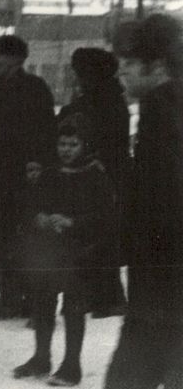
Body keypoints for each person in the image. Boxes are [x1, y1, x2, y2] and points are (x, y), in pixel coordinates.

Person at [58, 12, 183, 389]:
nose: (124, 75)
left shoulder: (162, 108)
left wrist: (119, 200)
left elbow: (161, 199)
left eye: (130, 65)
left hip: (165, 282)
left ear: (156, 67)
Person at [12, 119, 115, 386]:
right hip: (48, 249)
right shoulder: (51, 173)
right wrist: (40, 218)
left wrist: (74, 222)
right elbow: (30, 205)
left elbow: (105, 216)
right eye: (62, 144)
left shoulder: (95, 174)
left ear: (85, 145)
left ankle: (71, 365)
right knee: (43, 301)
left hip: (81, 251)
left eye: (73, 144)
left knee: (73, 307)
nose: (66, 150)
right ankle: (41, 357)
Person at [0, 34, 57, 322]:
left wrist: (39, 163)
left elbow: (47, 130)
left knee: (26, 237)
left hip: (25, 174)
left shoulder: (35, 87)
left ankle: (33, 301)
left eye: (0, 57)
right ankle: (8, 299)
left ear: (18, 60)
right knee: (0, 237)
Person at [58, 46, 130, 318]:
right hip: (103, 175)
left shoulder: (102, 100)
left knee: (98, 236)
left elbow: (91, 130)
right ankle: (99, 297)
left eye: (79, 72)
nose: (77, 78)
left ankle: (107, 298)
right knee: (96, 236)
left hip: (101, 176)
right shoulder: (108, 96)